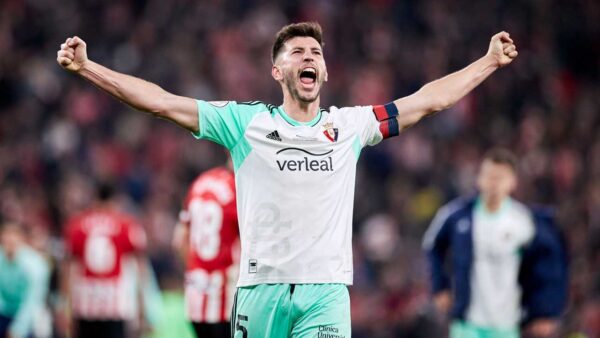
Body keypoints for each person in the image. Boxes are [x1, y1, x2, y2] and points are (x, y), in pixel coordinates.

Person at [57, 21, 518, 338]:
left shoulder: (350, 126)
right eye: (297, 51)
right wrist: (88, 68)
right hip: (260, 293)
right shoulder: (244, 123)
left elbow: (426, 101)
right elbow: (161, 101)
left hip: (326, 292)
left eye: (315, 51)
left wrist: (489, 62)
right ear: (278, 71)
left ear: (325, 70)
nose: (309, 56)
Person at [423, 148, 568, 338]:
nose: (493, 183)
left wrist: (544, 311)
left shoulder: (524, 222)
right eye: (489, 176)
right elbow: (432, 246)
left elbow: (548, 266)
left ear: (513, 182)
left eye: (500, 177)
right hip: (467, 323)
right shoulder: (457, 216)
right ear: (479, 179)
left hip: (506, 326)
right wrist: (439, 286)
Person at [61, 182, 150, 338]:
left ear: (95, 199)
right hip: (115, 304)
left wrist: (64, 306)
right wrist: (142, 306)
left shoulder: (77, 226)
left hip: (85, 304)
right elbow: (140, 268)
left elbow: (68, 268)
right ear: (115, 200)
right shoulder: (126, 225)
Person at [172, 160, 239, 338]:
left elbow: (179, 240)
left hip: (196, 294)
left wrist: (197, 270)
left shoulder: (199, 183)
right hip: (227, 298)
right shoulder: (238, 187)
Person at [0, 222, 50, 338]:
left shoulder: (36, 264)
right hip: (4, 311)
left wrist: (18, 329)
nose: (9, 240)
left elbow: (33, 300)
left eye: (14, 236)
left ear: (22, 239)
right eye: (6, 236)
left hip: (27, 314)